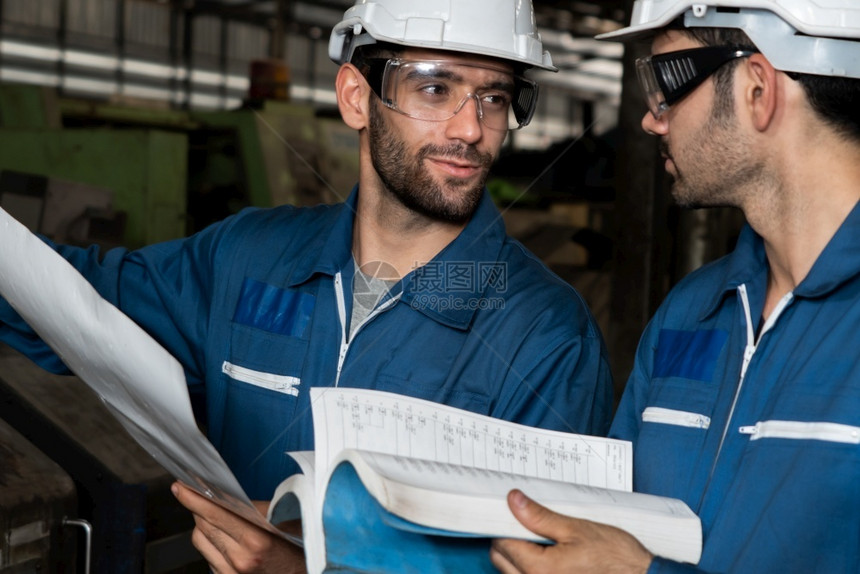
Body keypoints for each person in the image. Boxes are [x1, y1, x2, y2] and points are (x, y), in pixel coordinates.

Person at [0, 0, 614, 571]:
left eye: (494, 98)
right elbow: (66, 302)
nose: (471, 129)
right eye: (435, 88)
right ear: (355, 97)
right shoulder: (245, 258)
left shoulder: (545, 335)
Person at [491, 0, 860, 572]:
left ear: (758, 90)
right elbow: (608, 525)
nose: (651, 118)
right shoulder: (689, 313)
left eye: (665, 81)